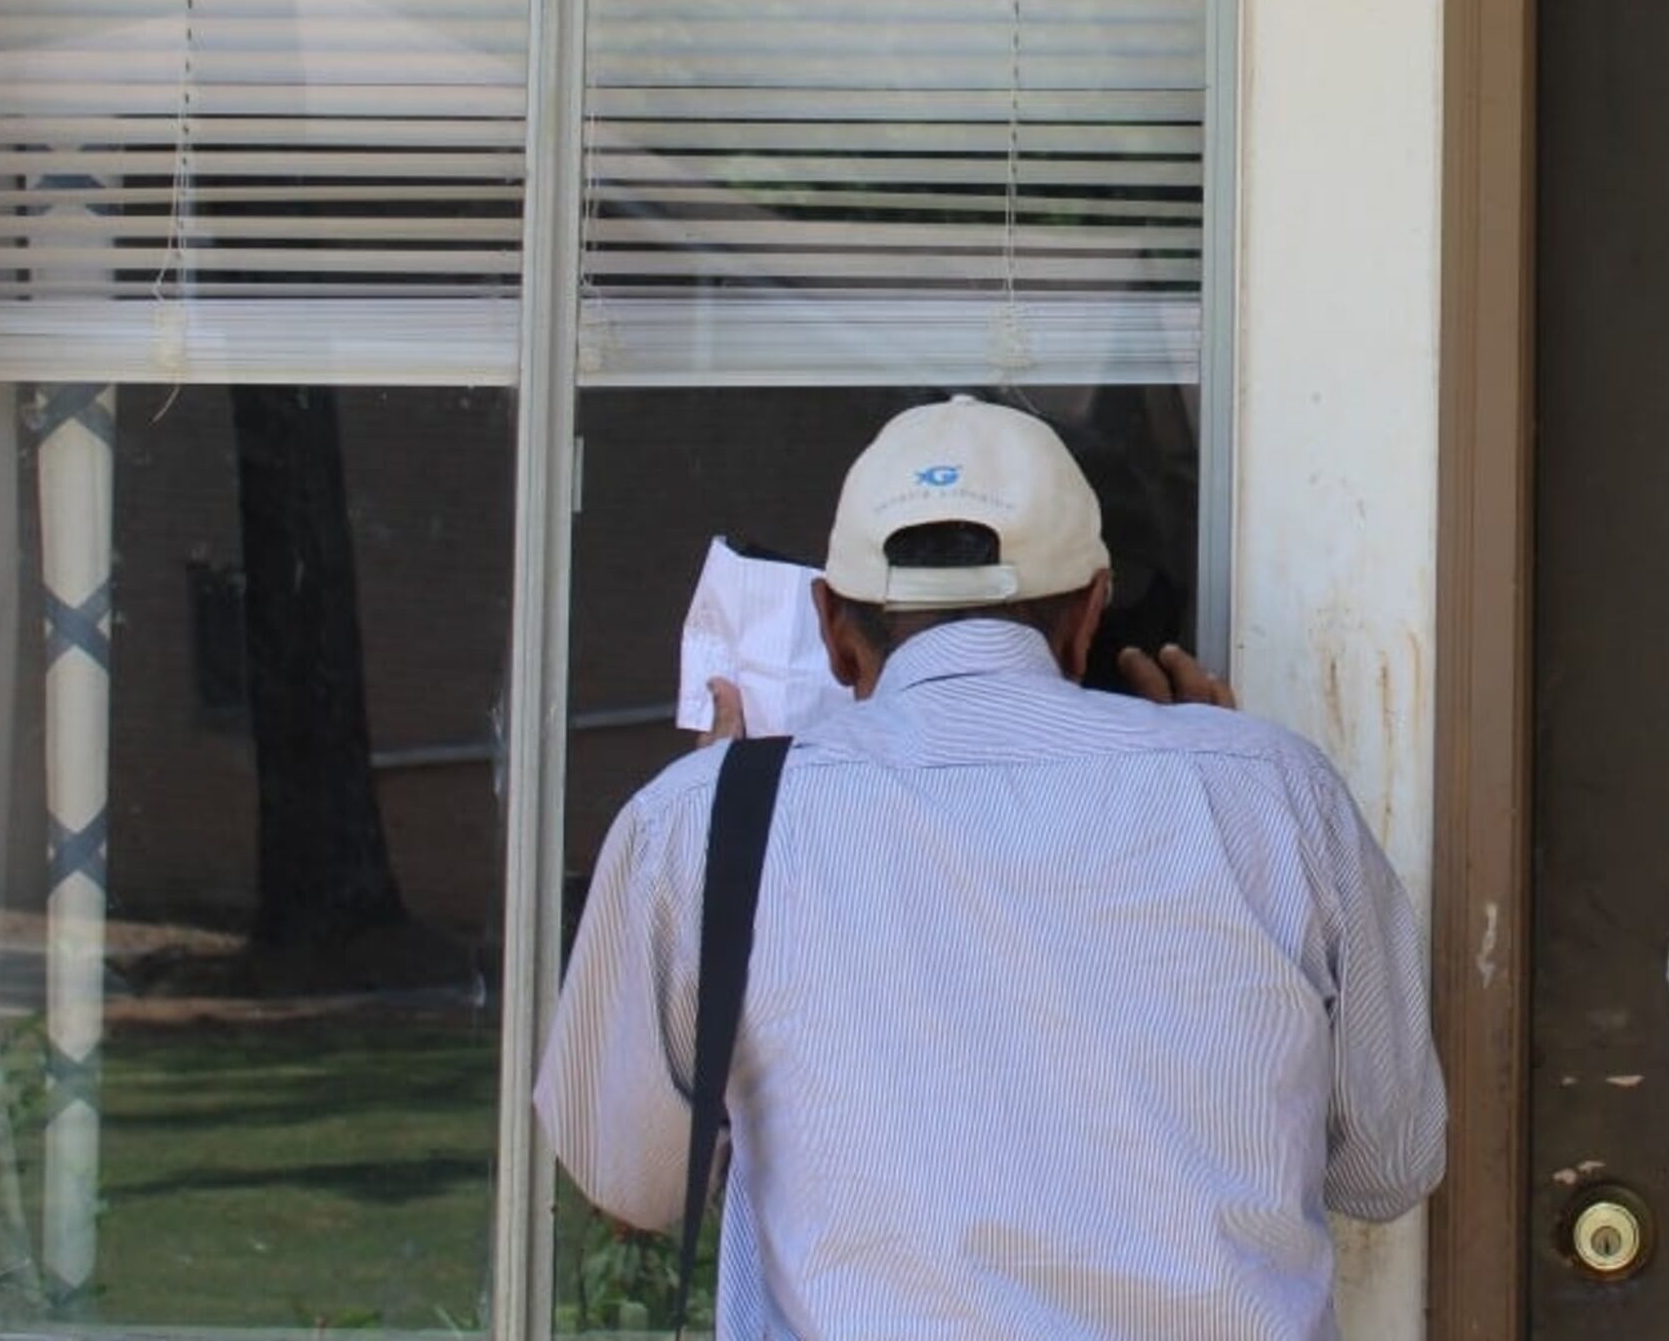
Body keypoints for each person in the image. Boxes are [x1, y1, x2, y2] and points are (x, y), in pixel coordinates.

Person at [539, 396, 1446, 1337]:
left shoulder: (702, 825)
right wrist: (1221, 769)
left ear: (832, 626)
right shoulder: (1275, 794)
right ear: (1090, 611)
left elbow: (632, 1189)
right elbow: (1387, 1168)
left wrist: (718, 842)